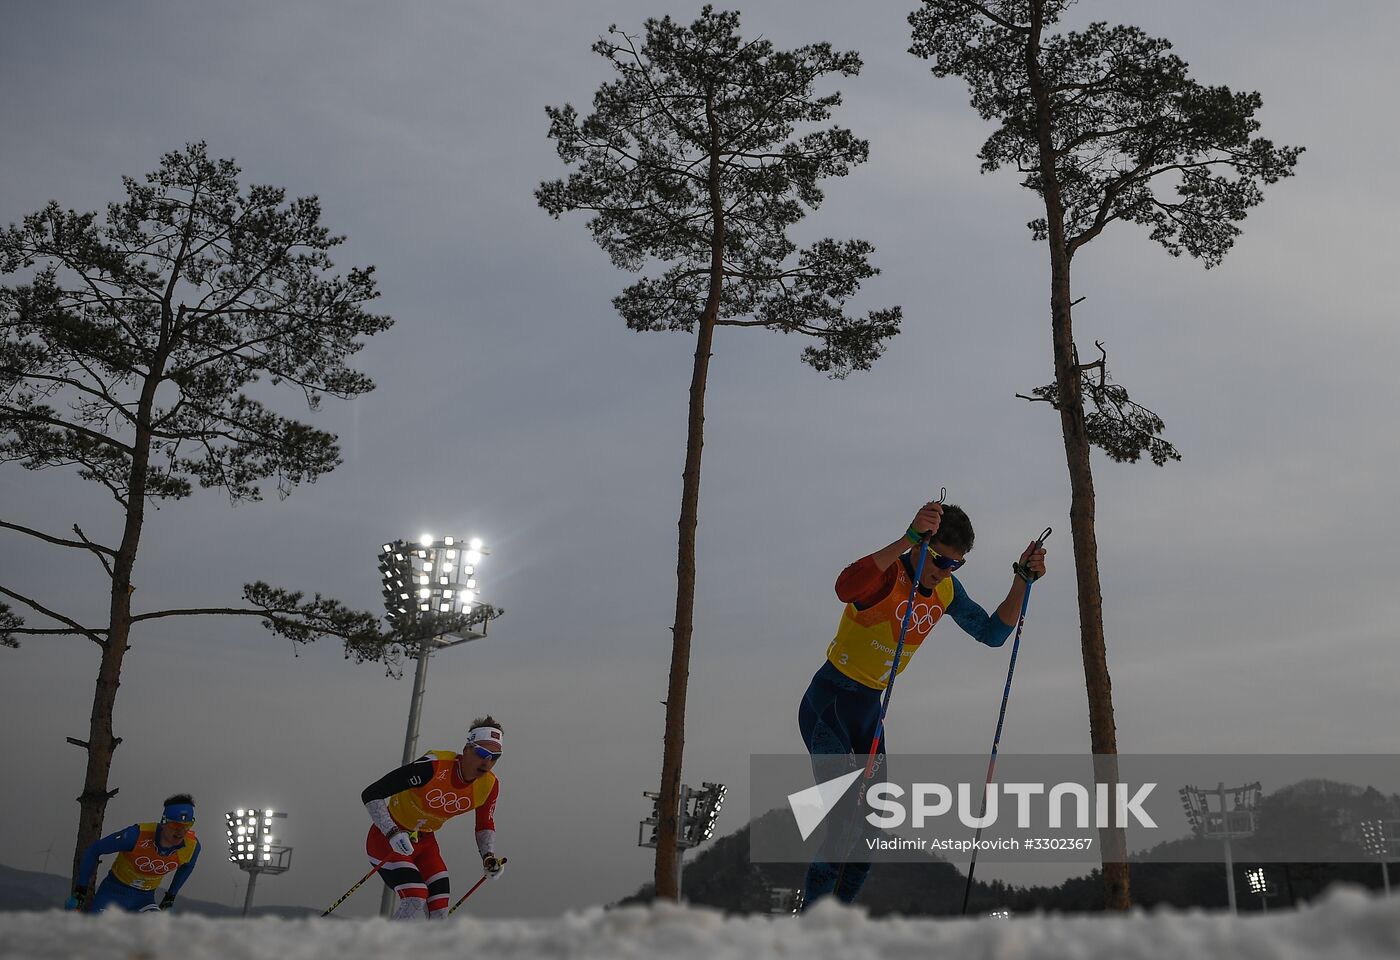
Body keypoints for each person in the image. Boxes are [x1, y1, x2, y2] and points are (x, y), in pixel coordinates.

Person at [797, 499, 1046, 907]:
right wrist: (907, 539)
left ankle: (832, 926)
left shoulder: (945, 589)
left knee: (872, 832)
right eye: (937, 559)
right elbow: (844, 587)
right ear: (921, 544)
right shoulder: (888, 574)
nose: (942, 570)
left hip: (869, 716)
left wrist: (1022, 579)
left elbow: (992, 633)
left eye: (953, 564)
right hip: (829, 705)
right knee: (842, 824)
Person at [361, 716, 507, 919]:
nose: (487, 761)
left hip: (426, 842)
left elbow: (484, 824)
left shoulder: (489, 786)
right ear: (467, 749)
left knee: (439, 910)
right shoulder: (434, 767)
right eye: (482, 752)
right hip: (386, 838)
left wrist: (488, 857)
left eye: (495, 757)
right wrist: (392, 833)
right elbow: (371, 794)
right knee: (415, 897)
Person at [65, 794, 201, 913]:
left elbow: (187, 867)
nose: (180, 832)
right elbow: (94, 850)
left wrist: (170, 898)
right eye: (175, 826)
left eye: (186, 825)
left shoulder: (191, 847)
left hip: (144, 899)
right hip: (113, 893)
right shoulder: (135, 836)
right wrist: (80, 891)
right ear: (164, 822)